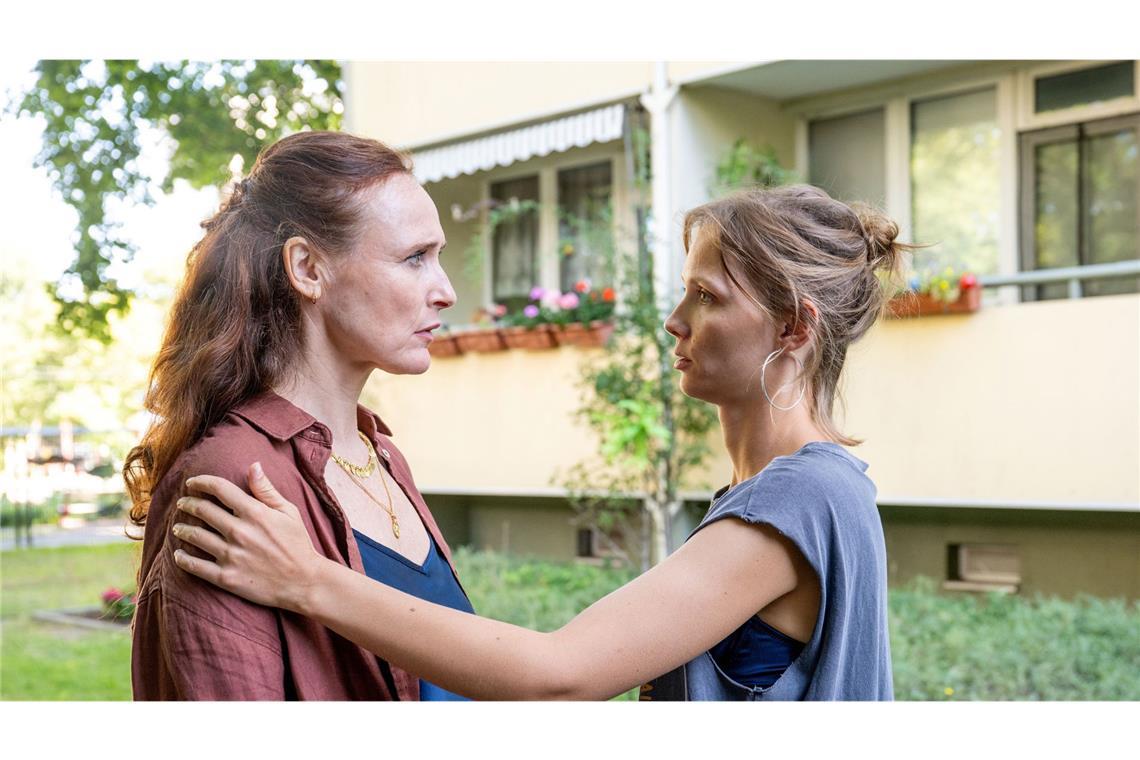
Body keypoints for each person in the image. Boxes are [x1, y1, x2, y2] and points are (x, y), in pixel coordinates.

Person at [171, 184, 908, 700]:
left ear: (794, 327)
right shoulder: (802, 492)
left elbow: (559, 675)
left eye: (708, 296)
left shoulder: (801, 497)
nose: (674, 320)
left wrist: (305, 579)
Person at [125, 130, 468, 700]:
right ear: (308, 268)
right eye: (414, 259)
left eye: (438, 257)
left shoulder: (380, 454)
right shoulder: (233, 476)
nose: (446, 291)